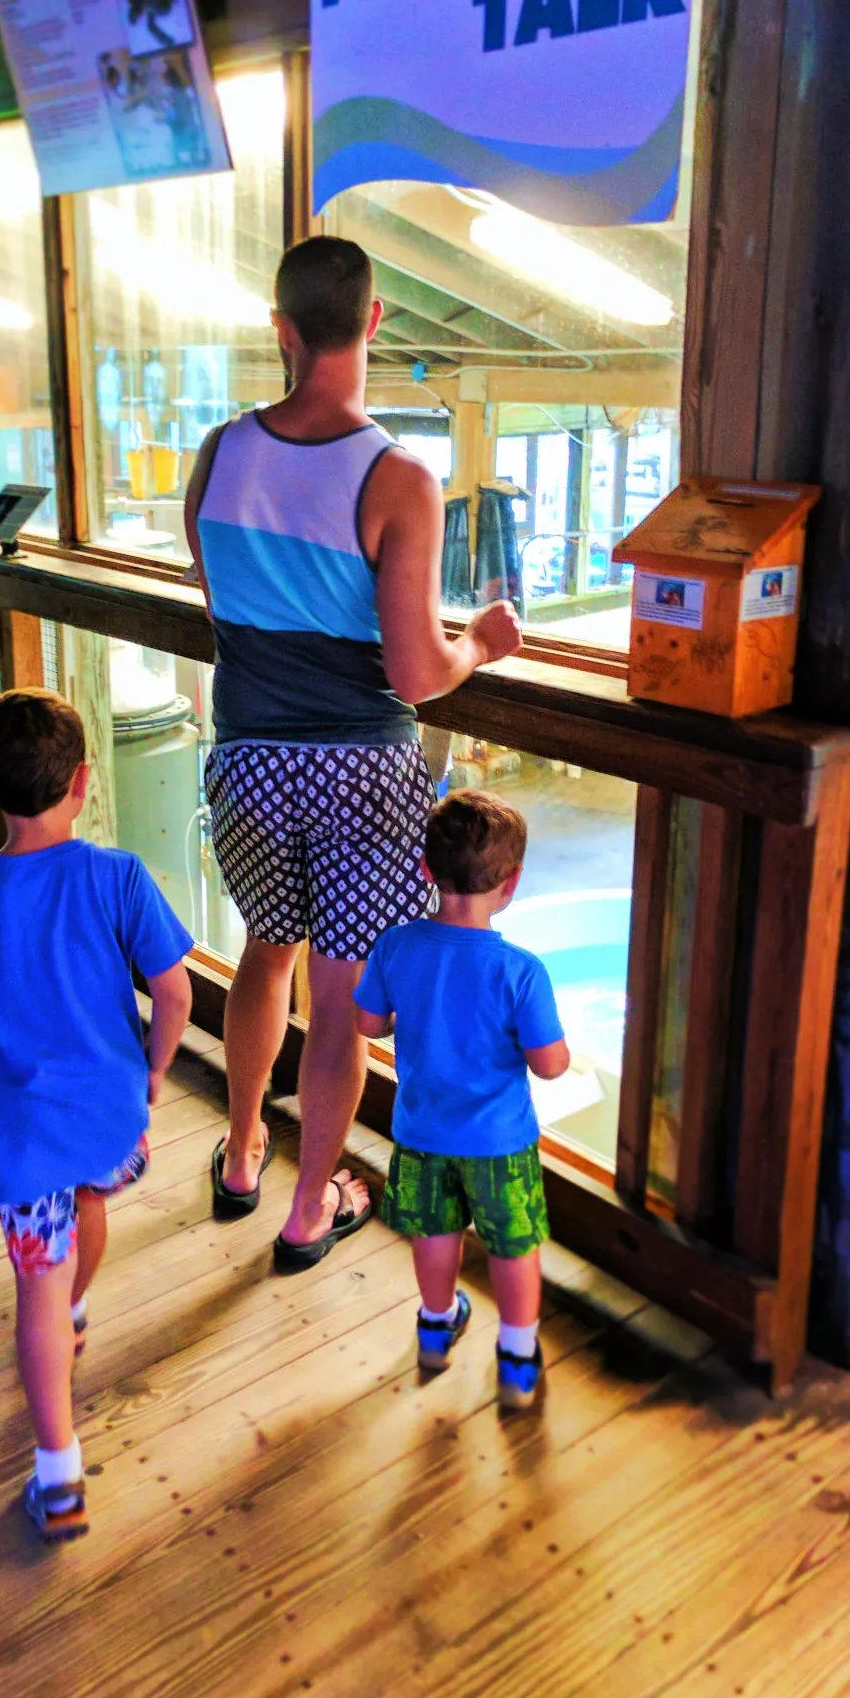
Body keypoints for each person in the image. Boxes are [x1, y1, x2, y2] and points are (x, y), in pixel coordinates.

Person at [184, 235, 523, 1272]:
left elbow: (219, 592)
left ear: (280, 331)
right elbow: (417, 672)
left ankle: (241, 1154)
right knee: (339, 1004)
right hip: (358, 773)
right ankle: (307, 1208)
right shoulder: (396, 477)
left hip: (246, 756)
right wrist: (484, 641)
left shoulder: (220, 451)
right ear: (375, 323)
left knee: (261, 953)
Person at [0, 688, 194, 1541]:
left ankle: (60, 1473)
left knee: (35, 1283)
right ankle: (73, 1310)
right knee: (91, 1204)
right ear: (82, 782)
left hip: (27, 1137)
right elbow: (173, 991)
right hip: (111, 1118)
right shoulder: (118, 876)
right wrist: (154, 1068)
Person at [354, 790, 570, 1408]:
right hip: (499, 1142)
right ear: (513, 882)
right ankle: (518, 1357)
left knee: (435, 1231)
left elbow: (369, 1024)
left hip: (421, 1132)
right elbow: (551, 1066)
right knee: (512, 1243)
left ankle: (435, 1323)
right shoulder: (521, 971)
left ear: (426, 869)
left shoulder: (397, 946)